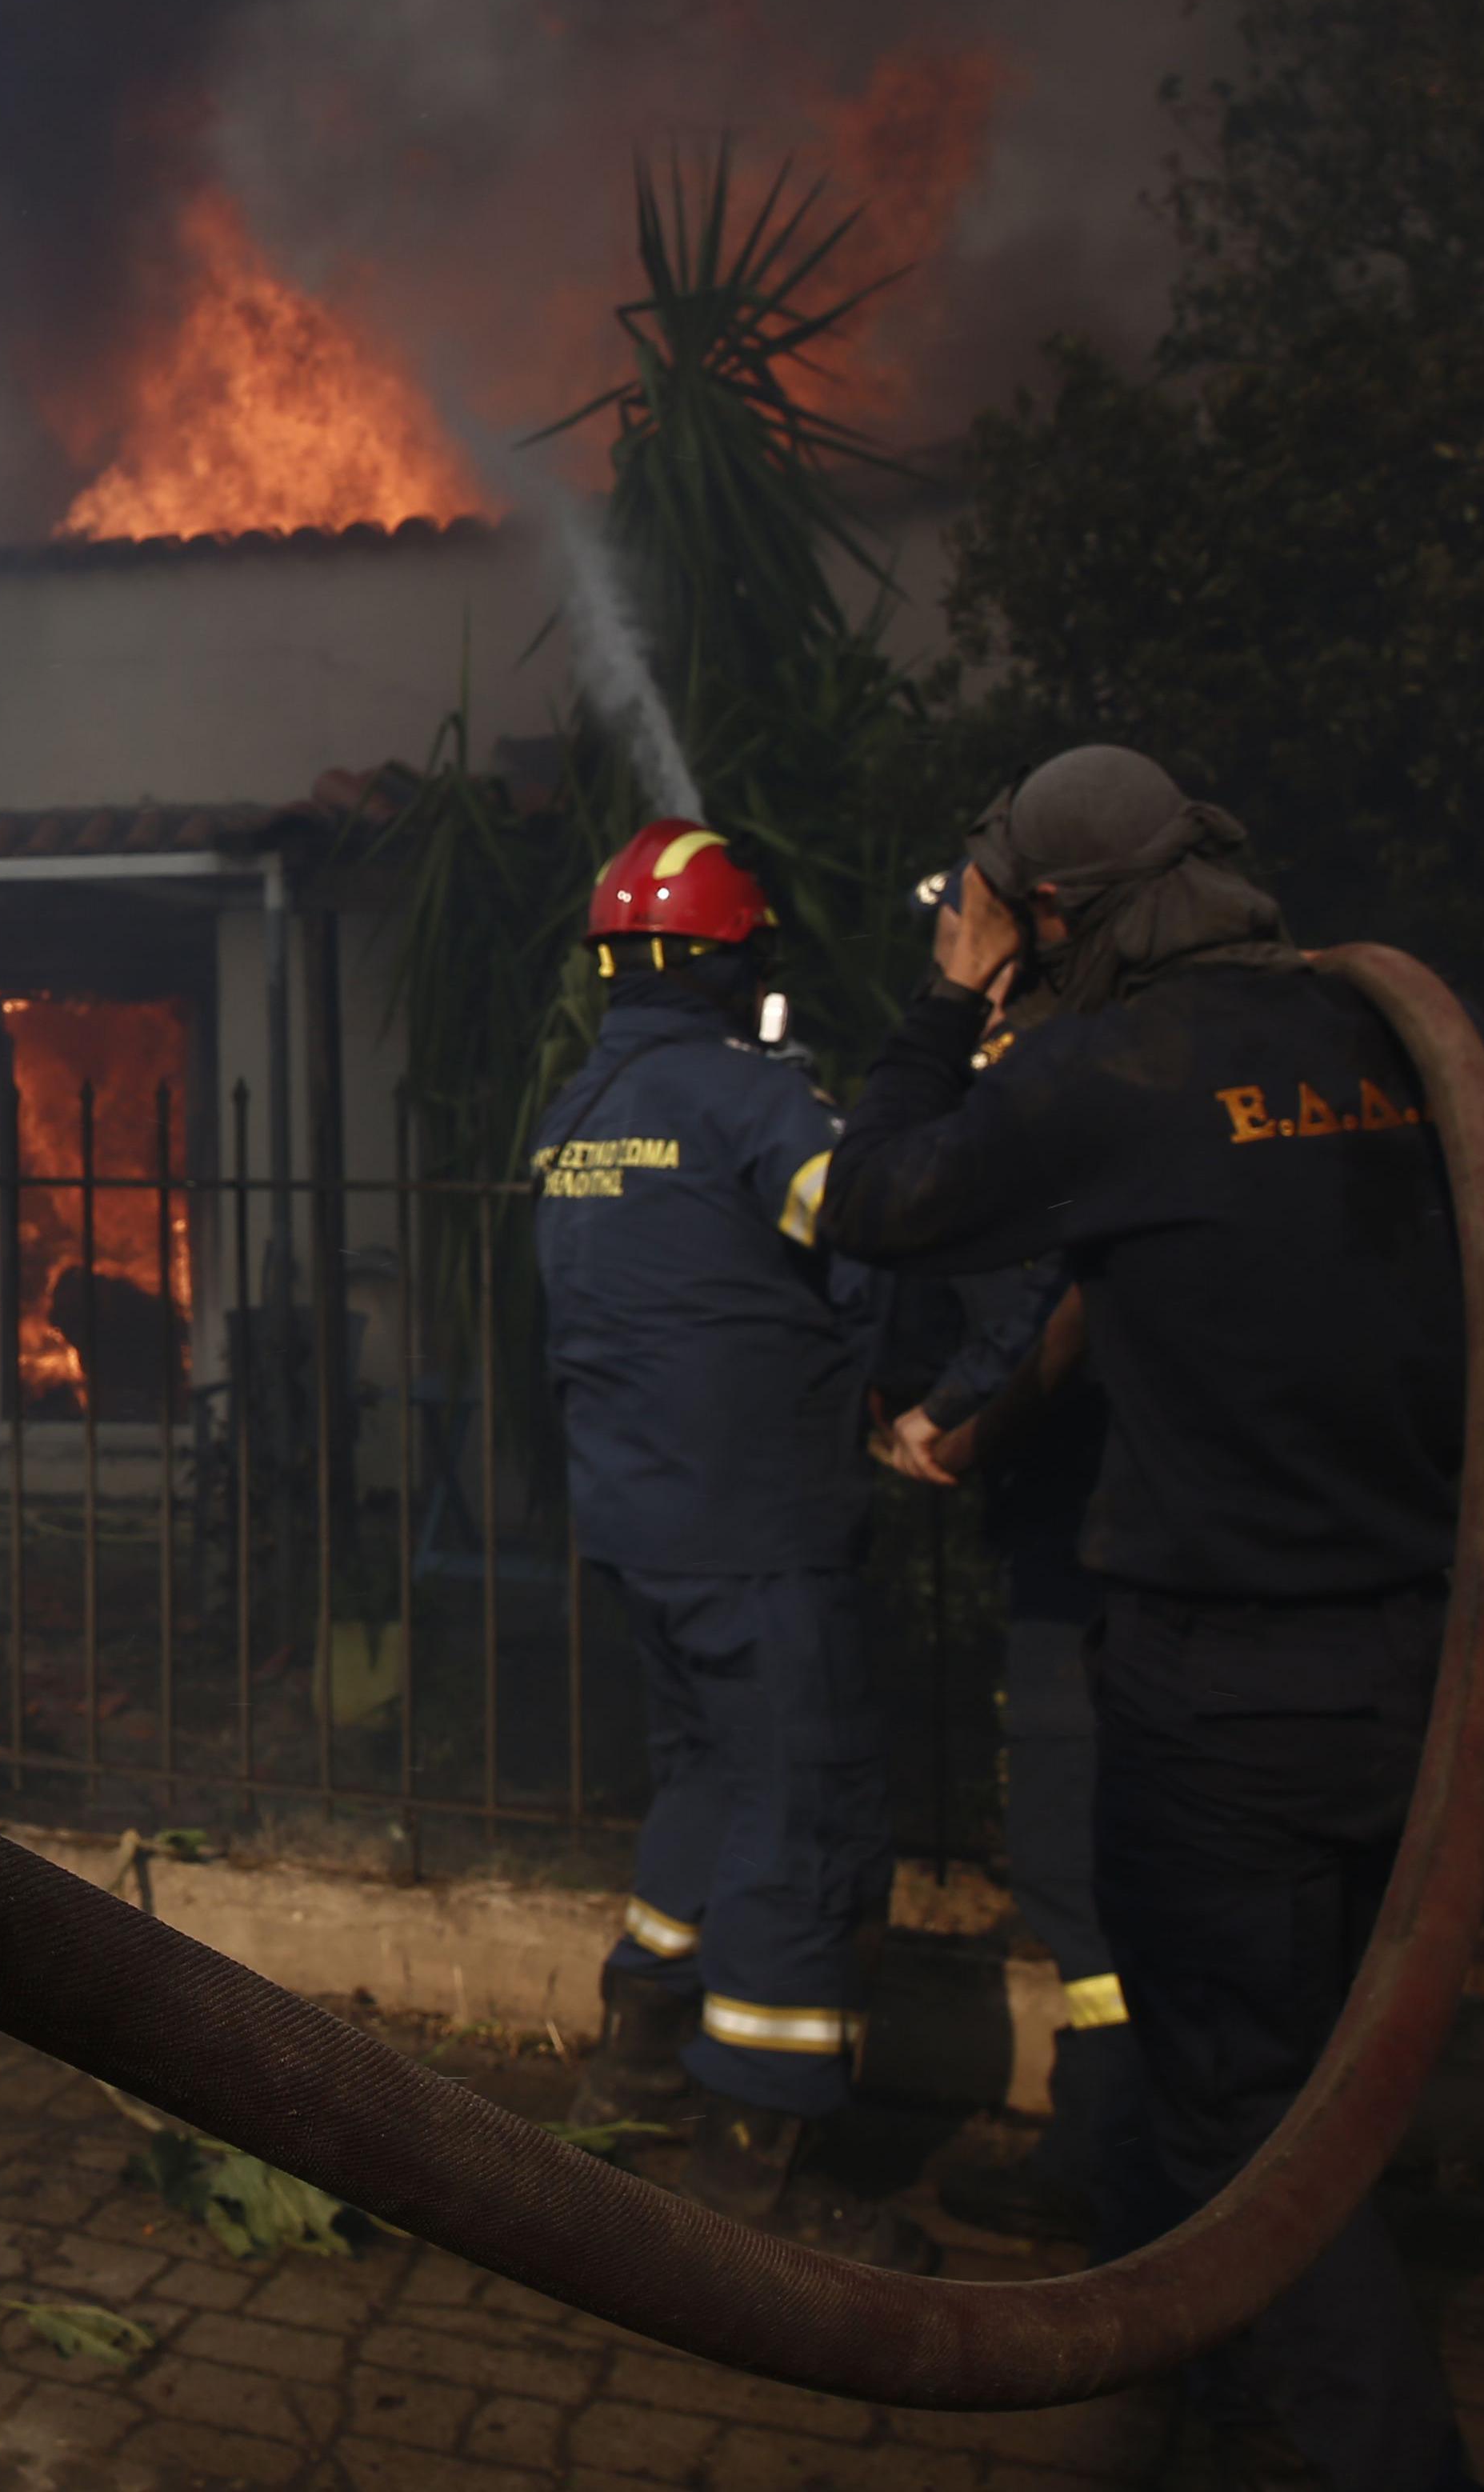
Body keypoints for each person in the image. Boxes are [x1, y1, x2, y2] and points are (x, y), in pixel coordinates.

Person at [823, 745, 1484, 2492]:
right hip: (1422, 1663)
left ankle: (1371, 2454)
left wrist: (947, 996)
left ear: (1049, 913)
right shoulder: (1386, 1041)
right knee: (1334, 2081)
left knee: (1243, 2119)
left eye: (1007, 917)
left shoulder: (1108, 1068)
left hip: (1229, 1683)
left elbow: (880, 1201)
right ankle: (1244, 2403)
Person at [529, 818, 928, 2274]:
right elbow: (871, 1223)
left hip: (640, 1526)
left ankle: (635, 2062)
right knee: (800, 1812)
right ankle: (754, 2161)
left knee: (704, 1777)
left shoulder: (581, 1112)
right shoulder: (750, 1105)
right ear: (732, 958)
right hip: (758, 1527)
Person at [876, 1254, 1154, 2247]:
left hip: (1083, 1544)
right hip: (1159, 1535)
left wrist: (946, 1406)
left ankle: (1107, 2152)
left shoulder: (1060, 1124)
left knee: (1067, 1859)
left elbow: (1034, 1296)